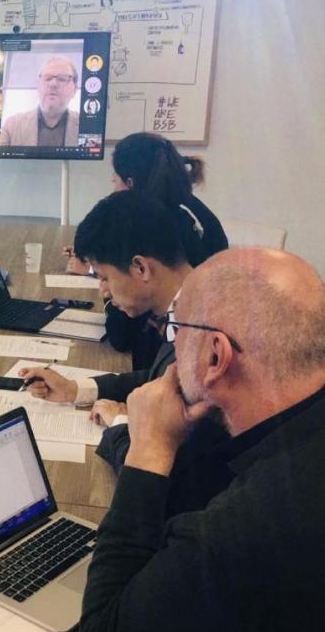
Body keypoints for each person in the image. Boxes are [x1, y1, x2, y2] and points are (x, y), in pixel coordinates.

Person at [78, 248, 325, 632]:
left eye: (176, 329)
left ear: (215, 355)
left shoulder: (250, 529)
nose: (173, 345)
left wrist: (148, 450)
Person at [22, 191, 230, 516]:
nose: (102, 290)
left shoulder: (204, 341)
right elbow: (156, 378)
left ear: (140, 268)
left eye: (105, 277)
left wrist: (118, 422)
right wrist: (77, 390)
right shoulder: (194, 304)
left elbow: (162, 480)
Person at [67, 131, 228, 371]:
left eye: (114, 181)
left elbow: (122, 337)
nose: (113, 190)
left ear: (130, 184)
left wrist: (102, 280)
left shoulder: (145, 228)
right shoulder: (190, 212)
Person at [0, 56, 80, 147]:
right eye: (47, 78)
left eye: (62, 79)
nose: (53, 84)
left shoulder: (86, 126)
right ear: (38, 85)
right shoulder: (11, 126)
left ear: (74, 90)